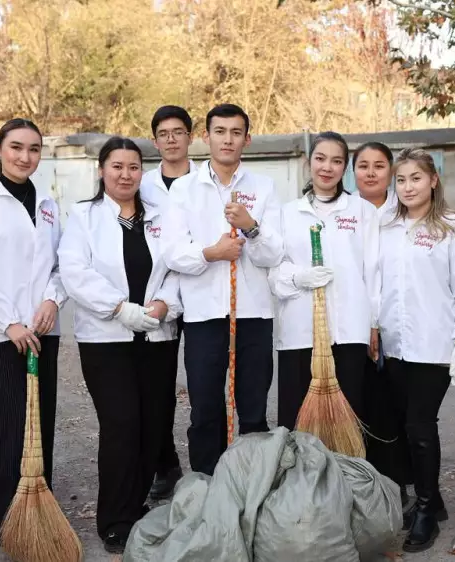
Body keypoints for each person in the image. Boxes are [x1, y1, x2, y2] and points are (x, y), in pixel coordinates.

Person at [58, 137, 182, 554]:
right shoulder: (84, 216)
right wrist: (119, 308)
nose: (125, 174)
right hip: (107, 339)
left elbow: (178, 266)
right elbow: (74, 271)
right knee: (122, 425)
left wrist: (165, 304)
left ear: (141, 172)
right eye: (117, 167)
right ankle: (114, 519)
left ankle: (138, 504)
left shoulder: (162, 215)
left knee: (152, 424)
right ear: (101, 170)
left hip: (156, 336)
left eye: (133, 167)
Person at [162, 103, 284, 476]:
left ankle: (252, 487)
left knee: (251, 409)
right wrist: (212, 253)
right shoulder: (184, 189)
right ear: (206, 137)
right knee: (205, 409)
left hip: (253, 315)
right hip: (204, 315)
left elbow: (273, 254)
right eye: (220, 131)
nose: (227, 139)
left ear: (246, 139)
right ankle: (206, 489)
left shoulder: (263, 187)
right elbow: (172, 252)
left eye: (235, 132)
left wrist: (251, 228)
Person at [0, 118, 66, 543]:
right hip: (2, 335)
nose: (25, 157)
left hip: (43, 330)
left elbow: (61, 264)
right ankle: (3, 518)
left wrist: (51, 300)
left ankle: (38, 507)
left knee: (42, 423)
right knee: (6, 425)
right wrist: (9, 322)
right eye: (17, 147)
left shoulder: (49, 203)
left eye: (34, 149)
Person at [377, 148, 455, 553]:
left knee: (421, 428)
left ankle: (423, 509)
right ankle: (432, 500)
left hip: (433, 346)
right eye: (401, 180)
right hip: (394, 345)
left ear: (433, 180)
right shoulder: (386, 226)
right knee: (401, 428)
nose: (407, 187)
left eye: (415, 179)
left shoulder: (454, 228)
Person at [269, 131, 379, 432]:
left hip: (349, 333)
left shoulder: (362, 212)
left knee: (348, 417)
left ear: (345, 168)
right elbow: (274, 273)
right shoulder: (287, 214)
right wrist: (299, 278)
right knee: (297, 418)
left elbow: (374, 273)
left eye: (336, 161)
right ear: (309, 162)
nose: (327, 167)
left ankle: (346, 475)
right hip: (300, 332)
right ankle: (299, 478)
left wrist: (373, 324)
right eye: (320, 159)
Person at [352, 141, 414, 514]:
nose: (371, 173)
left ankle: (404, 487)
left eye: (379, 165)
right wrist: (366, 324)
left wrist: (378, 323)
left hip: (397, 324)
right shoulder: (346, 211)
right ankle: (370, 487)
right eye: (363, 166)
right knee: (366, 408)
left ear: (391, 171)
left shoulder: (404, 213)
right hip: (355, 326)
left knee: (400, 409)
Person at [140, 105, 196, 500]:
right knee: (157, 386)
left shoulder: (207, 180)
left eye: (178, 131)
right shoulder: (142, 184)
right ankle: (165, 463)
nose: (171, 139)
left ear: (190, 136)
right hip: (159, 298)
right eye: (164, 133)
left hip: (201, 292)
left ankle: (216, 463)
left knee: (206, 384)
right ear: (155, 140)